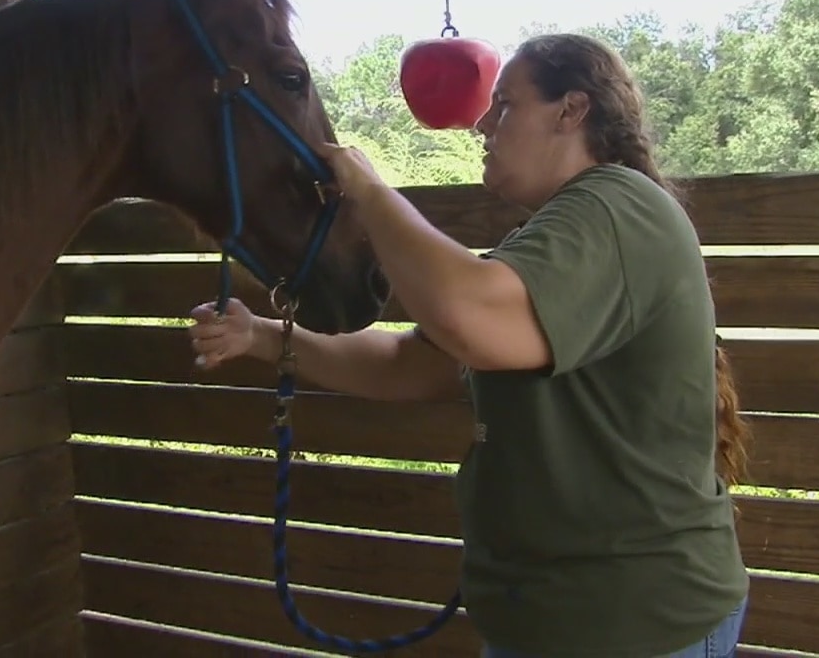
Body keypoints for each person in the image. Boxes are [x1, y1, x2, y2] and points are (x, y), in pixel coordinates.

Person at [189, 33, 752, 658]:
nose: (483, 123)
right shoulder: (555, 233)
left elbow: (466, 317)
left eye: (505, 104)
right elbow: (412, 364)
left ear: (572, 110)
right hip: (546, 621)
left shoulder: (618, 206)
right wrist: (264, 336)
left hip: (635, 626)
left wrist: (373, 196)